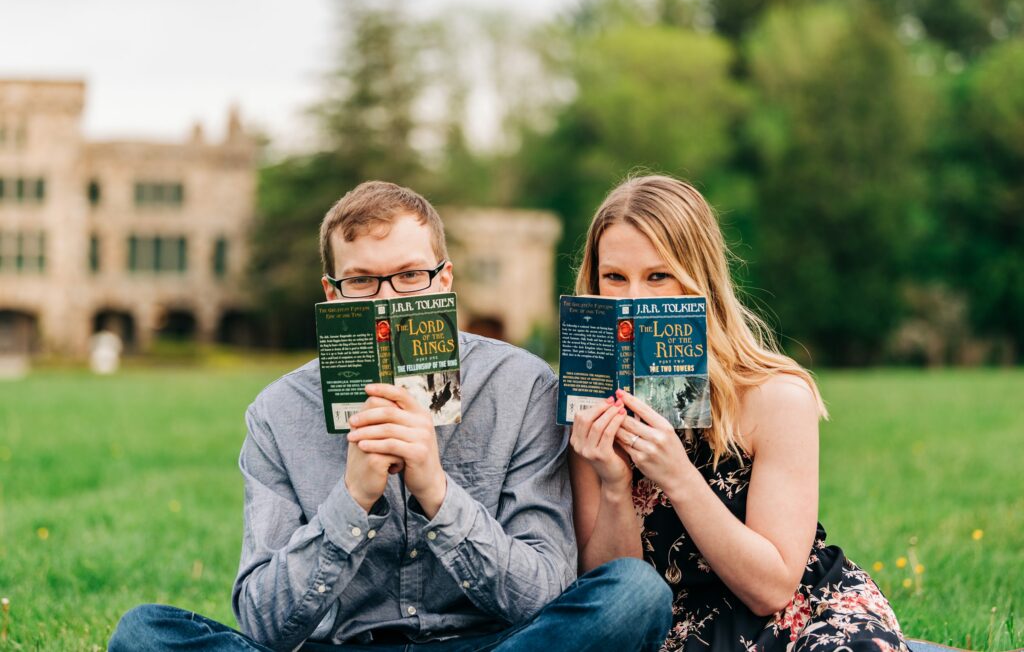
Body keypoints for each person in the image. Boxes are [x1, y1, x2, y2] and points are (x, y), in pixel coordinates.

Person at [109, 180, 671, 652]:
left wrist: (437, 491)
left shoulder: (520, 386)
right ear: (333, 294)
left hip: (492, 644)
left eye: (408, 275)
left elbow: (546, 593)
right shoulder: (278, 414)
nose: (385, 302)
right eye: (361, 282)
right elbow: (263, 623)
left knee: (633, 593)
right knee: (144, 633)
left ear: (443, 281)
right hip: (345, 645)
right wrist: (350, 502)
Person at [569, 175, 908, 652]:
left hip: (798, 617)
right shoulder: (587, 405)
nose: (634, 301)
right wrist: (614, 484)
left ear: (698, 278)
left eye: (658, 276)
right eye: (615, 277)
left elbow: (772, 589)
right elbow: (611, 598)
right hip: (673, 630)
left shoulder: (776, 396)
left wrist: (679, 478)